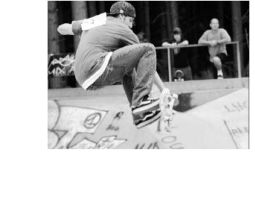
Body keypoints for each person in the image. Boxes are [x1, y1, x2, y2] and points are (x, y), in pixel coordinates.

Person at [57, 1, 171, 129]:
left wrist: (88, 36)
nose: (131, 26)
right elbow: (147, 61)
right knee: (148, 49)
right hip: (97, 66)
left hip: (83, 77)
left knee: (128, 68)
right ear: (122, 16)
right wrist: (163, 90)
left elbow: (62, 29)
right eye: (130, 20)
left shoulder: (95, 21)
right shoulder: (123, 30)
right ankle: (141, 101)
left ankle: (140, 116)